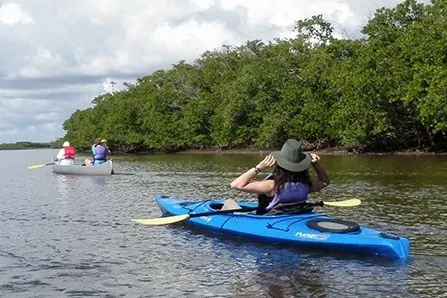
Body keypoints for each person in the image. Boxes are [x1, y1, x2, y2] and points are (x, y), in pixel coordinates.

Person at [229, 138, 330, 215]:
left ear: (280, 164)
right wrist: (316, 164)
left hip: (271, 220)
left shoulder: (271, 185)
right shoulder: (306, 184)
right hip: (295, 215)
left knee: (228, 204)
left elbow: (235, 185)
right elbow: (325, 182)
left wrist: (259, 167)